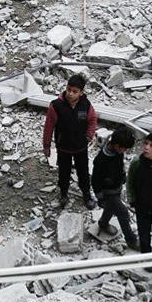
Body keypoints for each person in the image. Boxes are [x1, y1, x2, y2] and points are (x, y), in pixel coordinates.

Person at [42, 73, 99, 210]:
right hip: (63, 148)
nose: (70, 94)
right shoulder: (56, 106)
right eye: (69, 90)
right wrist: (47, 145)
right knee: (63, 172)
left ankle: (86, 194)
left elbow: (92, 120)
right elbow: (48, 126)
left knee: (83, 172)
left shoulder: (86, 105)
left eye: (75, 92)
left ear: (81, 93)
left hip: (81, 147)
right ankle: (63, 194)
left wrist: (89, 136)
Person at [92, 127, 138, 250]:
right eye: (124, 148)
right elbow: (95, 179)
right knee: (123, 213)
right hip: (107, 192)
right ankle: (131, 241)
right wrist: (99, 196)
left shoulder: (118, 153)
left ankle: (103, 223)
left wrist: (123, 177)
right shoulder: (101, 160)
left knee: (111, 208)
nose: (125, 151)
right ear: (117, 145)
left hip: (116, 187)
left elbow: (120, 167)